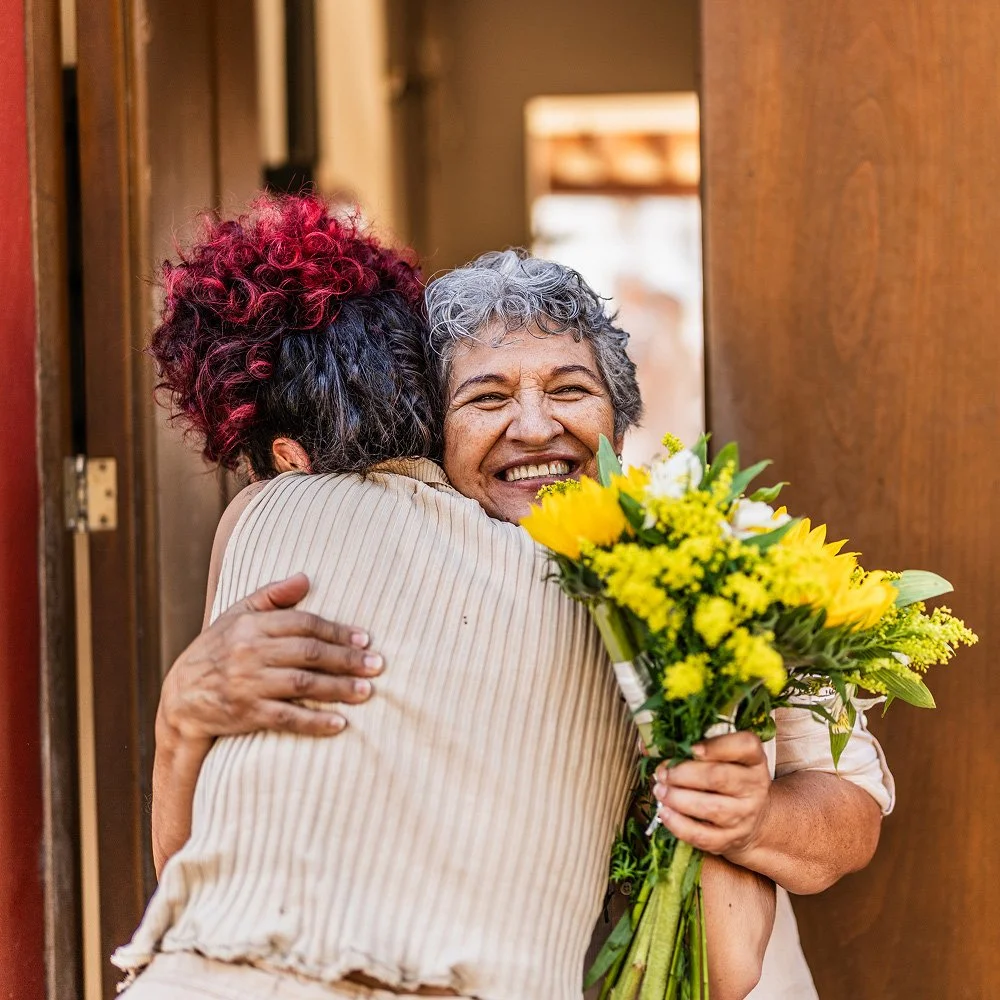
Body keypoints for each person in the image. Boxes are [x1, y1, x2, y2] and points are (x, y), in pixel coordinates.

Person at [114, 194, 774, 1000]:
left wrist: (741, 805)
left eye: (568, 390)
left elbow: (184, 877)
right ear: (432, 424)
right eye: (487, 399)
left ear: (621, 422)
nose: (533, 429)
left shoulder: (670, 611)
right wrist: (181, 717)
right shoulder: (651, 618)